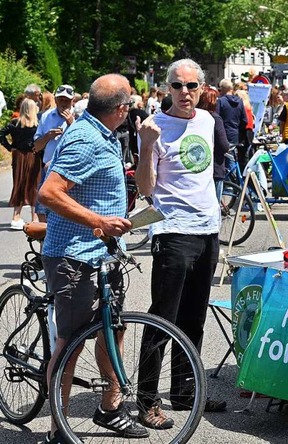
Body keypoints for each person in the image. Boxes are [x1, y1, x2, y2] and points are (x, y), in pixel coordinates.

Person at [38, 74, 145, 443]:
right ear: (121, 109)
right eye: (129, 103)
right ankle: (58, 430)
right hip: (74, 256)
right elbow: (49, 193)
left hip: (103, 255)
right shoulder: (85, 139)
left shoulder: (101, 132)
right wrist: (99, 220)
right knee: (70, 343)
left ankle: (110, 409)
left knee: (113, 330)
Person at [136, 58, 227, 429]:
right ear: (166, 88)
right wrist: (145, 146)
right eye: (177, 86)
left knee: (194, 317)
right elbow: (145, 188)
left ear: (203, 88)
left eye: (191, 86)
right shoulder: (153, 127)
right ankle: (146, 399)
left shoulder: (208, 121)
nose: (185, 93)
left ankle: (185, 391)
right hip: (172, 232)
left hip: (208, 230)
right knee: (163, 318)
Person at [33, 84, 76, 222]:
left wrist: (72, 124)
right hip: (49, 169)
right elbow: (36, 146)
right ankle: (43, 242)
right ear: (55, 100)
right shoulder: (46, 116)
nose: (64, 103)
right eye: (61, 99)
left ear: (72, 100)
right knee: (41, 209)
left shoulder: (80, 117)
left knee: (68, 212)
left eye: (67, 100)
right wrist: (47, 136)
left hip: (70, 170)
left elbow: (84, 141)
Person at [0, 98, 41, 228]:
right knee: (35, 184)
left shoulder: (15, 123)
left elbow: (1, 134)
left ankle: (16, 217)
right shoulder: (38, 124)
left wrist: (9, 147)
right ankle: (35, 218)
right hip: (34, 156)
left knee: (19, 183)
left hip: (18, 155)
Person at [197, 85, 230, 199]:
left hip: (198, 168)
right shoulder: (215, 118)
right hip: (215, 167)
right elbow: (224, 145)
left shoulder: (194, 118)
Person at [217, 78, 248, 165]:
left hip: (223, 134)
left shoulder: (221, 101)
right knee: (233, 158)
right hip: (235, 134)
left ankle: (229, 178)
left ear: (223, 89)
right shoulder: (240, 101)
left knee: (224, 160)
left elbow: (217, 119)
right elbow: (245, 120)